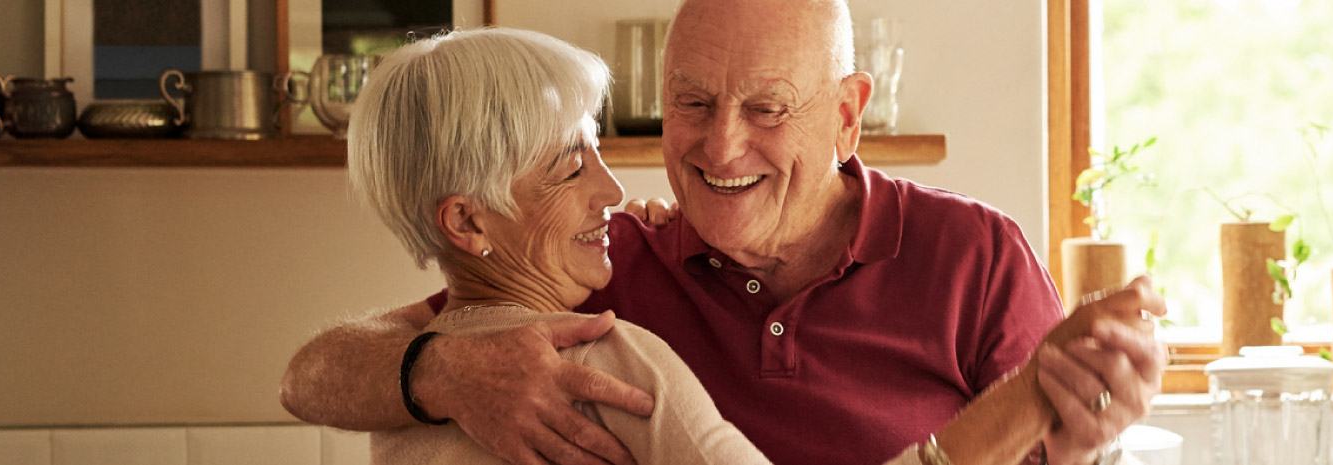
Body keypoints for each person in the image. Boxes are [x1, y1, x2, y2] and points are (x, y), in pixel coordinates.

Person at [283, 1, 1168, 464]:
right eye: (692, 104)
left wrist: (1080, 435)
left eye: (767, 108)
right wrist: (441, 371)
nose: (721, 144)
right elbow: (312, 373)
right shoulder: (594, 276)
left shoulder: (976, 259)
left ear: (848, 116)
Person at [342, 28, 772, 464]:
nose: (613, 190)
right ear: (467, 221)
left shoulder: (397, 399)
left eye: (597, 153)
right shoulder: (610, 359)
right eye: (571, 170)